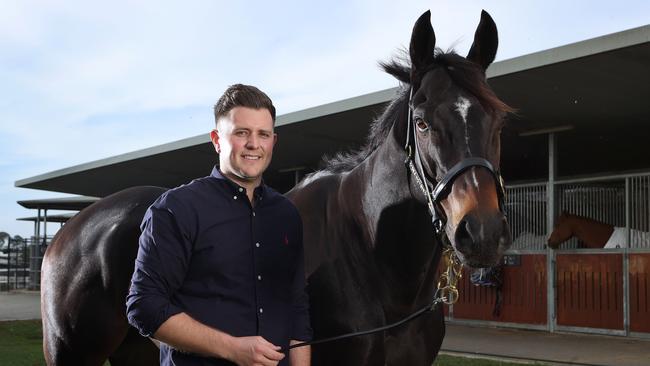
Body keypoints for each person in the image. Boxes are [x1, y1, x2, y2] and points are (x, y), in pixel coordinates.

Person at [126, 84, 312, 366]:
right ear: (217, 140)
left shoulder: (286, 215)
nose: (253, 144)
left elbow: (297, 311)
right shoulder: (176, 209)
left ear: (273, 141)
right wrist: (232, 349)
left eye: (263, 134)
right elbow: (144, 306)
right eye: (241, 133)